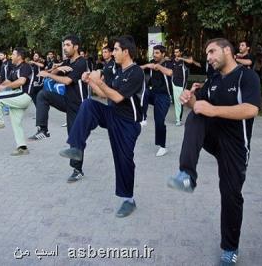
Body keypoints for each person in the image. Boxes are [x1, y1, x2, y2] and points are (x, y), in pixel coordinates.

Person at [167, 38, 261, 266]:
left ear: (227, 50)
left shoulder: (246, 76)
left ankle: (230, 248)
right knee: (196, 116)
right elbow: (201, 105)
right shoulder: (214, 79)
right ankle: (187, 174)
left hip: (236, 147)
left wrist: (212, 109)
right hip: (214, 137)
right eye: (207, 53)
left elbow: (251, 109)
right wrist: (190, 100)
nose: (208, 57)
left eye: (212, 51)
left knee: (231, 196)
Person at [59, 35, 145, 217]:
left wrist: (98, 81)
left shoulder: (136, 72)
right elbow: (104, 94)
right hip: (113, 115)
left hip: (128, 124)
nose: (112, 53)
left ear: (126, 52)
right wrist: (90, 81)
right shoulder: (118, 70)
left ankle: (128, 200)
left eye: (115, 50)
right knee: (89, 105)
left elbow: (117, 97)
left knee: (124, 161)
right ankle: (76, 147)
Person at [28, 35, 89, 182]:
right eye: (64, 45)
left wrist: (49, 74)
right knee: (42, 94)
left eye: (68, 45)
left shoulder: (81, 63)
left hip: (79, 106)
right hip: (67, 101)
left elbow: (68, 81)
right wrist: (57, 68)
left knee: (74, 137)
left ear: (76, 47)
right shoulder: (67, 61)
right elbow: (55, 74)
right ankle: (43, 129)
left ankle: (77, 170)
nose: (65, 47)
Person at [0, 47, 33, 155]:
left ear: (20, 56)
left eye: (14, 54)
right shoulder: (15, 68)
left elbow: (21, 81)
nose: (12, 56)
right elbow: (8, 80)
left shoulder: (26, 66)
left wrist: (3, 89)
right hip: (17, 96)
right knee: (16, 123)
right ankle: (22, 147)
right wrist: (0, 85)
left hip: (24, 95)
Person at [141, 45, 173, 157]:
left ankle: (162, 147)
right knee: (144, 92)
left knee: (159, 122)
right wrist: (147, 65)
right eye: (154, 53)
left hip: (164, 97)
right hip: (153, 94)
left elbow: (170, 73)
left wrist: (158, 67)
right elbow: (138, 68)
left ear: (163, 54)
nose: (154, 55)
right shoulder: (151, 62)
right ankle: (143, 118)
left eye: (157, 53)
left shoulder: (169, 63)